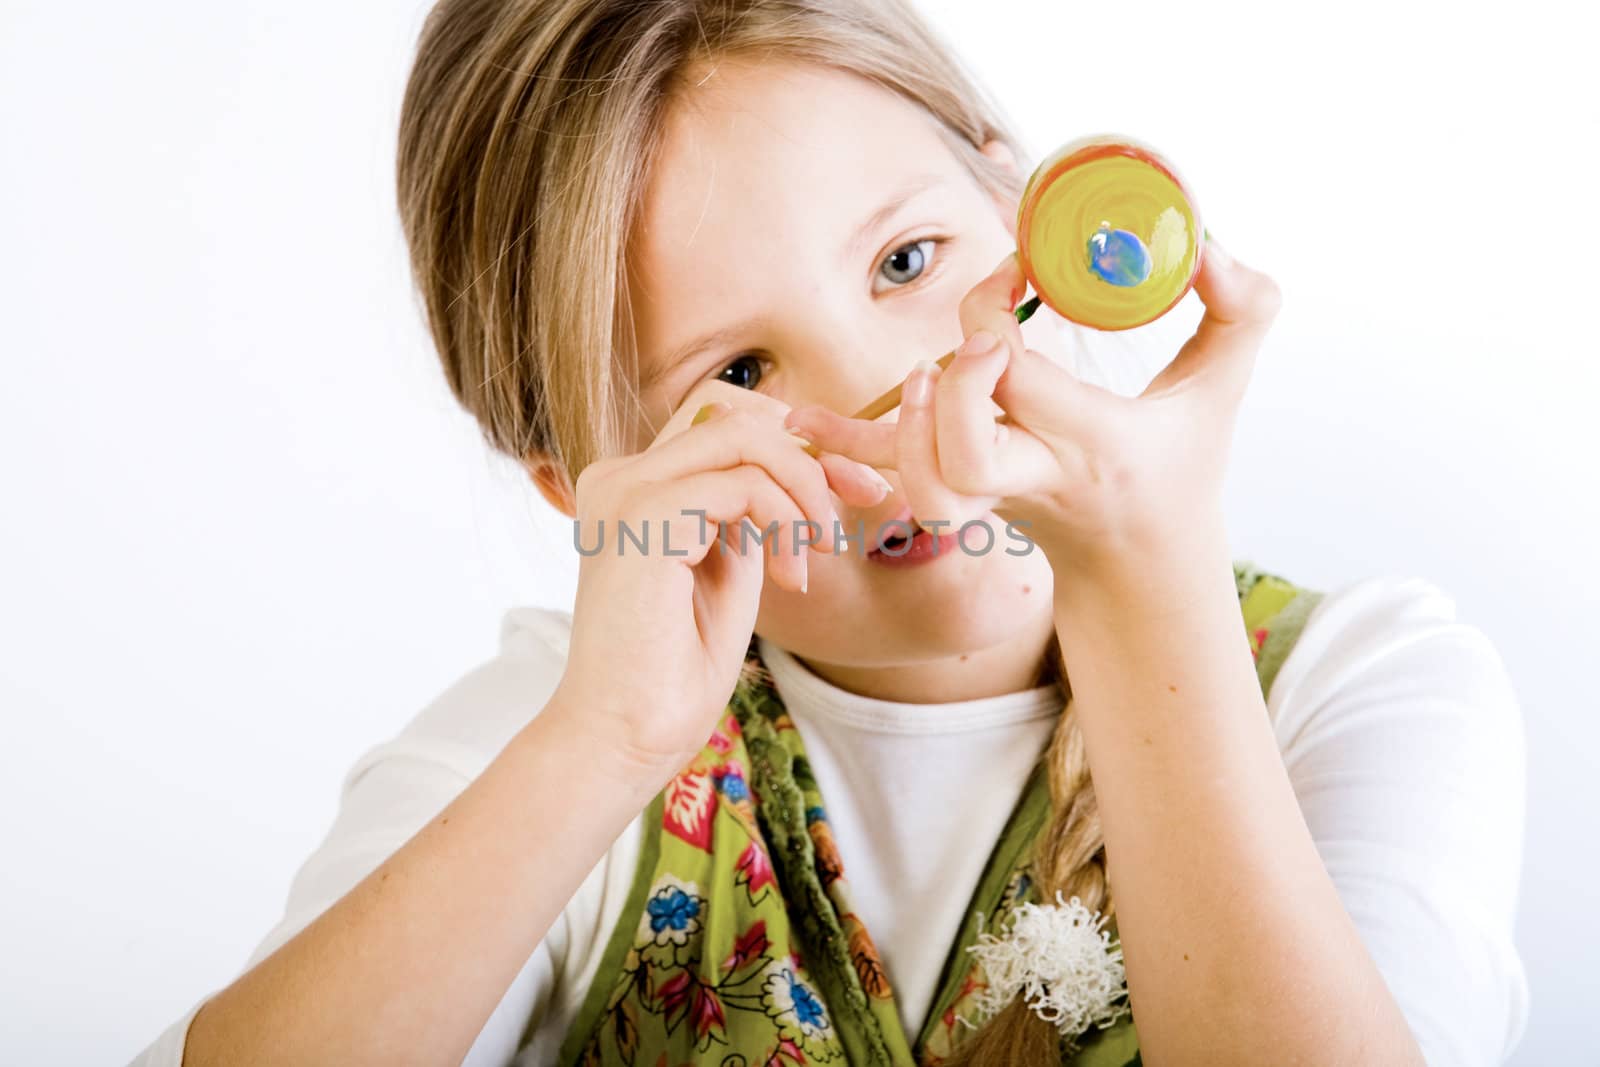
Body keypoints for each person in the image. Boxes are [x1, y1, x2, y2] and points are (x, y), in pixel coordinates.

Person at [128, 0, 1530, 1064]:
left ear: (1021, 210)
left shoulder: (1362, 683)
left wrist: (1137, 573)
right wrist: (600, 746)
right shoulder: (548, 739)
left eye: (909, 263)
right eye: (737, 378)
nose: (889, 417)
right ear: (583, 487)